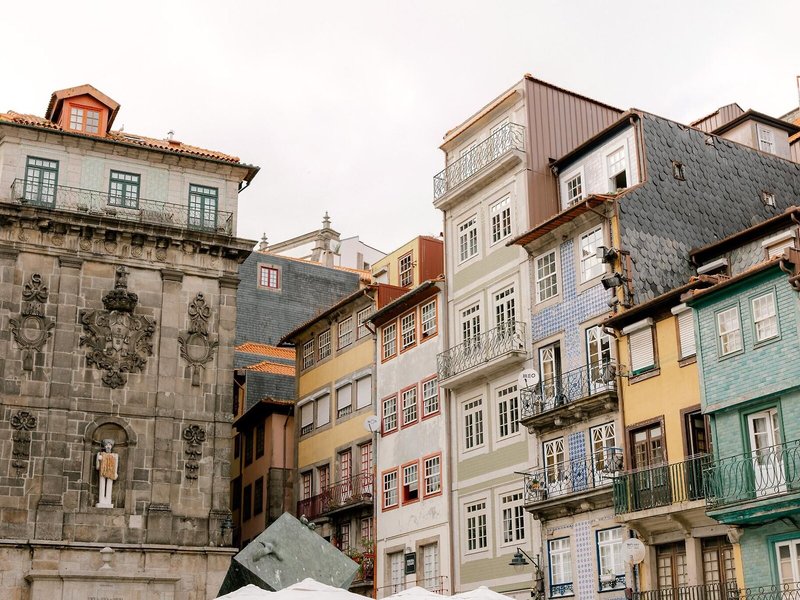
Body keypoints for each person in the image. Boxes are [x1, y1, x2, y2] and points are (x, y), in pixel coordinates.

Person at [96, 439, 119, 508]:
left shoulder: (115, 455)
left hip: (111, 472)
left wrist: (115, 472)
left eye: (109, 445)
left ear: (111, 446)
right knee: (102, 485)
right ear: (104, 446)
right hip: (103, 471)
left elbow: (116, 465)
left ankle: (108, 501)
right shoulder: (100, 454)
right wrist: (99, 460)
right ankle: (101, 500)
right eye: (107, 445)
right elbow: (97, 467)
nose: (108, 446)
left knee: (109, 486)